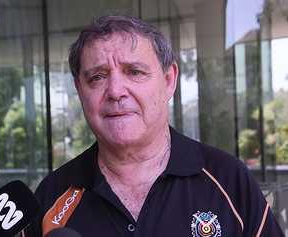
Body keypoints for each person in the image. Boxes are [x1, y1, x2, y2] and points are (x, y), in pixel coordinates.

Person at [25, 15, 284, 237]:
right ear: (80, 90)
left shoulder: (229, 180)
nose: (115, 91)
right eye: (97, 77)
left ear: (169, 81)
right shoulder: (51, 197)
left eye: (134, 72)